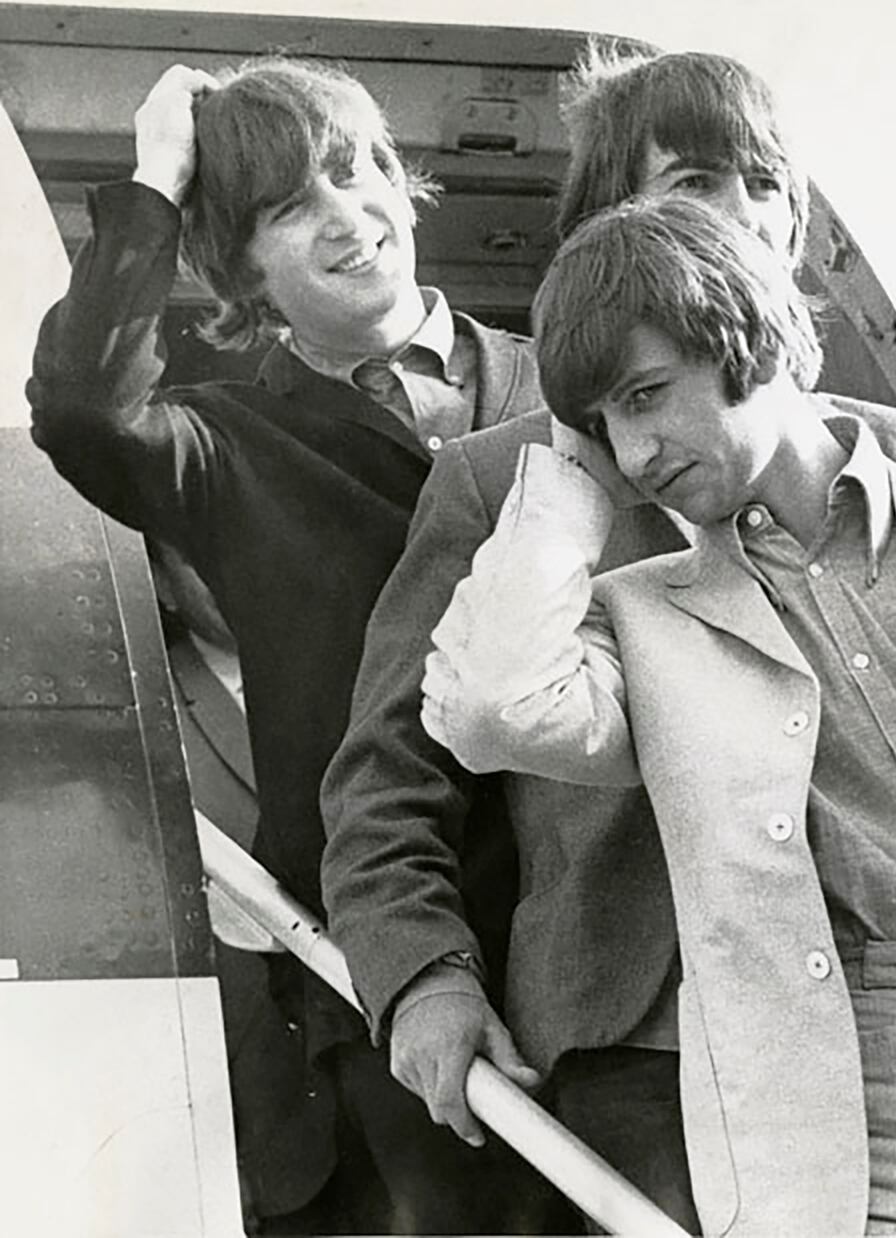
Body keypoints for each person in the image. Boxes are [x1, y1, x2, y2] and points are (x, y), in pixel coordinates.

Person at [320, 45, 896, 1232]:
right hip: (650, 1039)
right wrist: (422, 975)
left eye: (760, 186)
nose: (734, 218)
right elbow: (387, 774)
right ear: (606, 228)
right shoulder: (496, 482)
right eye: (688, 189)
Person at [416, 194, 896, 1235]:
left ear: (743, 339)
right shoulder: (647, 616)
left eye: (649, 393)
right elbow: (487, 706)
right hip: (859, 1111)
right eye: (604, 426)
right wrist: (562, 495)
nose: (637, 450)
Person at [27, 57, 567, 1234]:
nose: (347, 215)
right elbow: (79, 409)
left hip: (623, 959)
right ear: (238, 266)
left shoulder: (568, 380)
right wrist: (156, 183)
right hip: (398, 969)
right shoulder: (226, 444)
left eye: (359, 169)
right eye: (287, 207)